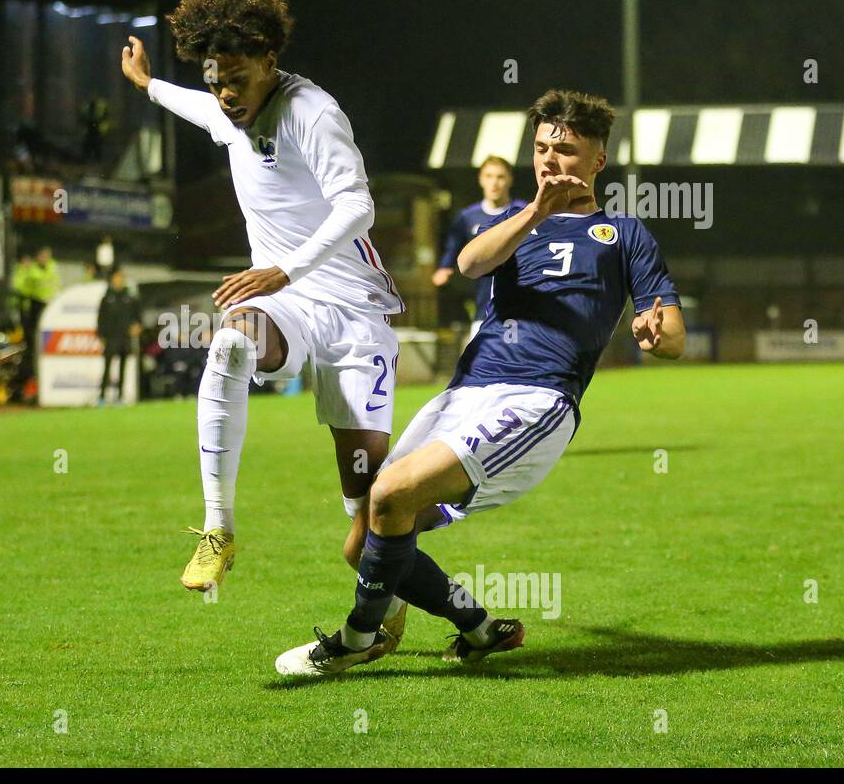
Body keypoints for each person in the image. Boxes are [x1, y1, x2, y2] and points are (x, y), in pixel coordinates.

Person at [275, 88, 686, 677]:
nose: (549, 160)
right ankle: (482, 629)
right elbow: (470, 265)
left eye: (566, 150)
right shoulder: (512, 226)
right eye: (542, 147)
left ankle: (358, 636)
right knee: (366, 538)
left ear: (599, 160)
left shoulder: (624, 235)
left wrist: (653, 331)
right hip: (466, 392)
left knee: (391, 497)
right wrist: (536, 212)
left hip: (538, 398)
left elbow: (673, 336)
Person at [122, 0, 404, 617]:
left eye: (237, 79)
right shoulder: (230, 105)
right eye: (216, 80)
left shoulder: (312, 112)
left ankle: (420, 612)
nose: (225, 94)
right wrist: (148, 85)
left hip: (353, 311)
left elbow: (358, 206)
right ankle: (218, 527)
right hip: (284, 303)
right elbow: (199, 108)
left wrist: (286, 268)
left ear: (269, 60)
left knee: (367, 522)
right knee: (227, 344)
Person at [435, 156, 528, 342]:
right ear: (481, 179)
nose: (495, 182)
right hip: (483, 306)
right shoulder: (467, 217)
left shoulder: (524, 213)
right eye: (489, 176)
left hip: (521, 304)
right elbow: (453, 246)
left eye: (500, 177)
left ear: (509, 179)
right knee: (479, 363)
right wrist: (444, 267)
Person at [96, 268, 142, 405]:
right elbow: (101, 318)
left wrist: (137, 325)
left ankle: (120, 396)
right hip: (111, 337)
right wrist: (101, 335)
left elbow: (137, 315)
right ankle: (102, 396)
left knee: (123, 366)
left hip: (125, 337)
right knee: (107, 367)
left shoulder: (129, 296)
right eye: (117, 277)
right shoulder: (107, 297)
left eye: (121, 277)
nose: (119, 280)